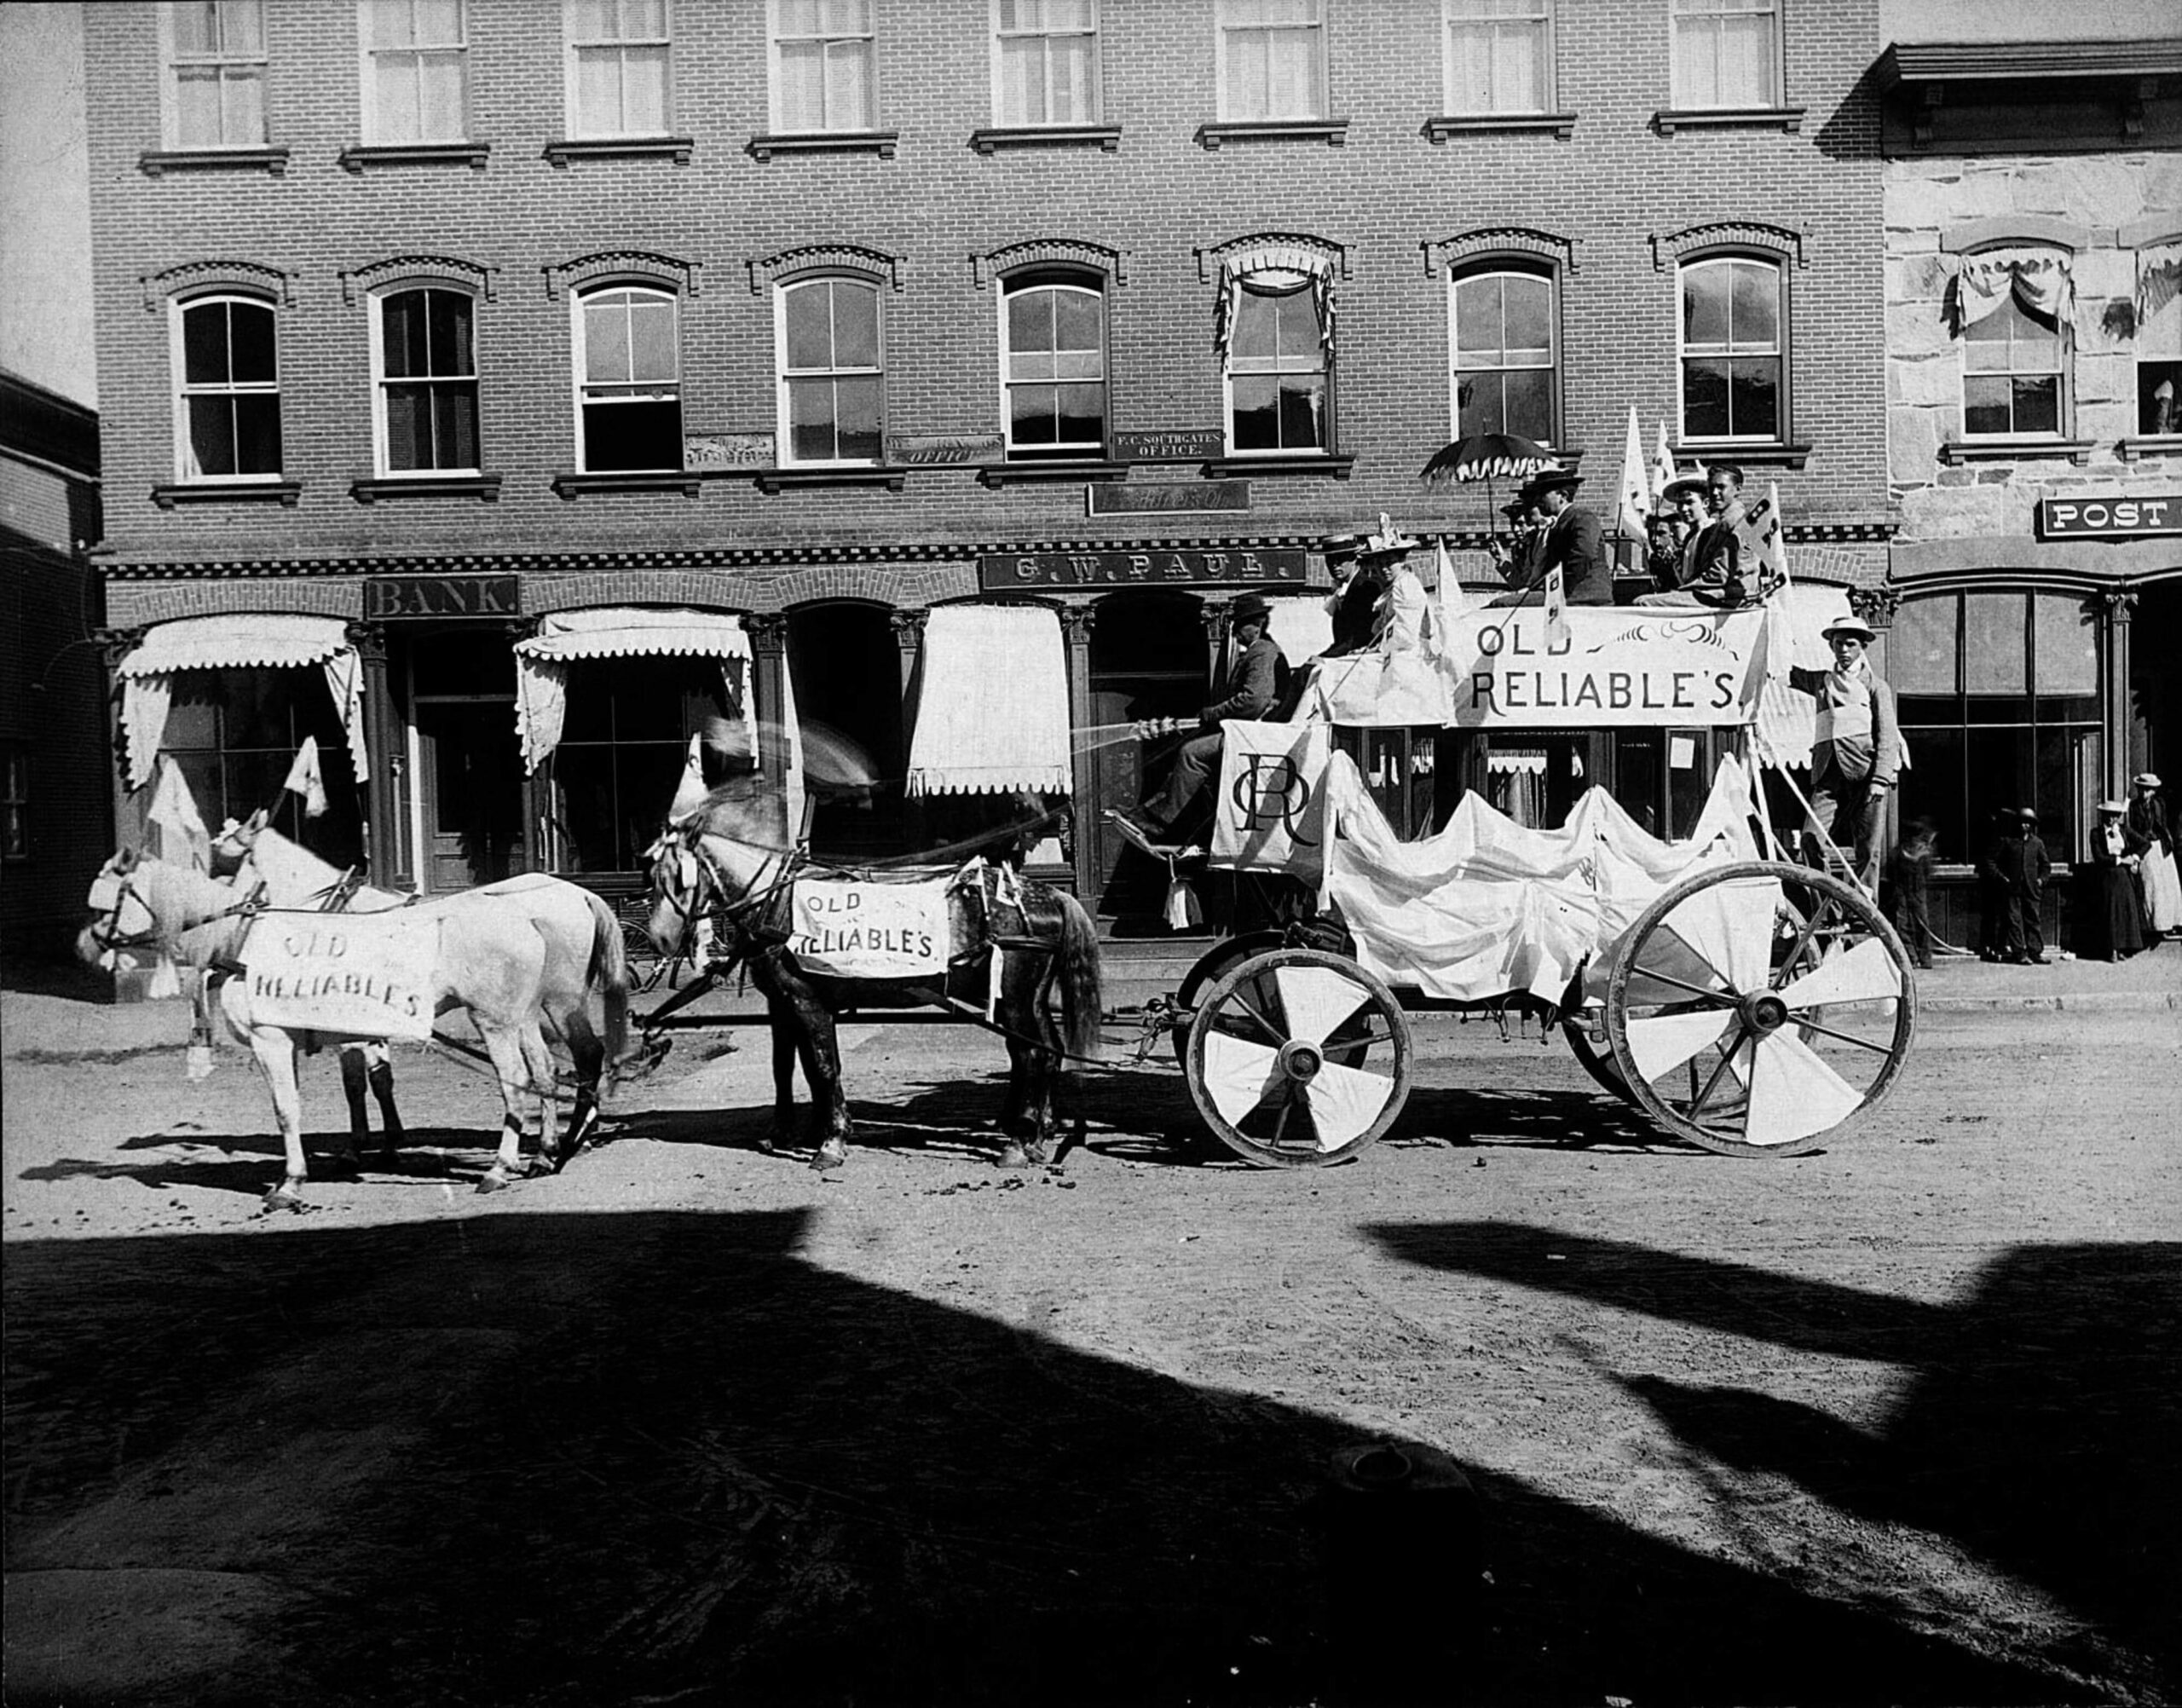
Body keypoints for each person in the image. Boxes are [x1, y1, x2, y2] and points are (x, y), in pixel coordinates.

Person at [1119, 592, 1286, 841]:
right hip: (1244, 732)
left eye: (1242, 625)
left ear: (1259, 624)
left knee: (1191, 754)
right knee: (1185, 755)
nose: (1236, 631)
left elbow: (1254, 701)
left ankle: (1163, 822)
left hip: (1253, 736)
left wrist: (1213, 713)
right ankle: (1149, 812)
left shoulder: (1262, 651)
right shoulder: (1256, 652)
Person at [1787, 615, 1900, 884]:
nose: (1844, 650)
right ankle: (1828, 908)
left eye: (1850, 644)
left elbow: (1888, 737)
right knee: (1810, 838)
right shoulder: (1822, 682)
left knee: (1868, 850)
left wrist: (1879, 779)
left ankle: (1864, 912)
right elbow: (1787, 674)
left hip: (1866, 775)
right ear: (1831, 647)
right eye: (1838, 644)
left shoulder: (1876, 687)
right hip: (1828, 774)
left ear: (1862, 647)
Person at [2075, 799, 2147, 962]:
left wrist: (2135, 857)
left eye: (2115, 816)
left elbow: (2145, 844)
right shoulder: (2096, 833)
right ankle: (2111, 949)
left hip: (2123, 876)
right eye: (2108, 816)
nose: (2111, 820)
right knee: (2110, 913)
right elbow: (2099, 857)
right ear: (2103, 816)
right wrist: (2122, 860)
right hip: (2106, 875)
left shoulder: (2124, 831)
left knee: (2123, 912)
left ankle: (2123, 947)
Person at [1632, 476, 1715, 606]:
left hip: (1707, 597)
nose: (1683, 509)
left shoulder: (1713, 533)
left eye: (1690, 502)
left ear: (1706, 503)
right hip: (1689, 594)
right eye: (1680, 504)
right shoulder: (1690, 537)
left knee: (1643, 602)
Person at [2127, 771, 2178, 944]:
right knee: (2150, 886)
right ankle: (2150, 926)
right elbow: (2130, 828)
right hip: (2144, 848)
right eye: (2141, 789)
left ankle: (2166, 924)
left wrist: (2166, 841)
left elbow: (2162, 824)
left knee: (2166, 886)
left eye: (2147, 790)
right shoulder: (2133, 807)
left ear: (2153, 791)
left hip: (2160, 847)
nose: (2144, 793)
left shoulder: (2158, 804)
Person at [1888, 816, 1938, 970]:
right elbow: (1892, 873)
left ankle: (1924, 957)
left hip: (1917, 891)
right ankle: (1911, 956)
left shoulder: (1924, 853)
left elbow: (1928, 872)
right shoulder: (1898, 853)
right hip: (1902, 892)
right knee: (1903, 925)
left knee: (1921, 924)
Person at [1977, 807, 2024, 962]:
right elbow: (1990, 862)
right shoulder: (2000, 840)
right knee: (2000, 918)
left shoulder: (2011, 840)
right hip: (1998, 886)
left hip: (2009, 886)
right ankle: (1995, 947)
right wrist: (2001, 878)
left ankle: (2000, 946)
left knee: (2006, 918)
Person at [1319, 532, 1376, 656]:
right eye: (1330, 559)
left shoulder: (1365, 589)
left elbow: (1356, 640)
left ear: (1354, 558)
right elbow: (1341, 641)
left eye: (1340, 559)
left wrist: (1325, 658)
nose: (1334, 564)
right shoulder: (1342, 590)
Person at [2010, 807, 2054, 965]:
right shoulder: (2008, 841)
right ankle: (2019, 953)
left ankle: (2035, 951)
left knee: (2033, 919)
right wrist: (2003, 879)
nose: (2024, 826)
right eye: (2022, 823)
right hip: (2012, 888)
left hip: (2031, 887)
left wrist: (2041, 880)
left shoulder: (2037, 843)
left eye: (2028, 823)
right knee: (2014, 921)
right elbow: (1991, 862)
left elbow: (2046, 865)